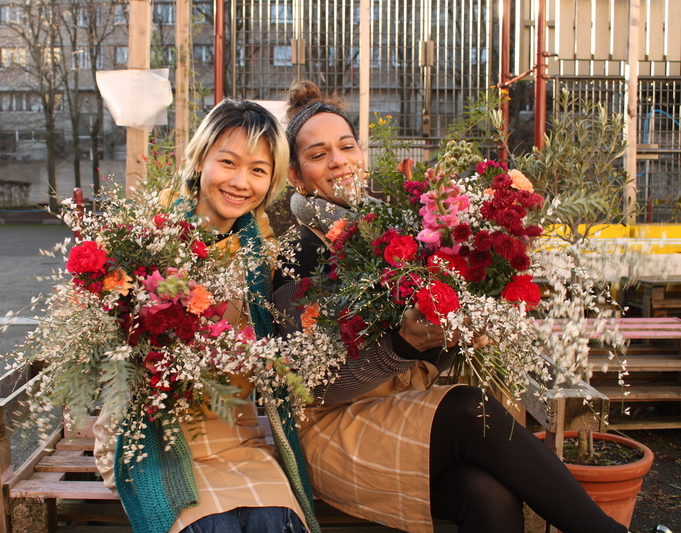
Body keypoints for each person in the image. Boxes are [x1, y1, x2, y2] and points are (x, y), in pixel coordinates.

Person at [272, 80, 631, 533]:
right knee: (468, 408)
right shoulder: (298, 254)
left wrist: (461, 329)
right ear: (295, 175)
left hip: (401, 414)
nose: (339, 160)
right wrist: (402, 344)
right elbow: (312, 388)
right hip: (331, 432)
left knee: (490, 496)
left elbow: (423, 341)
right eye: (318, 154)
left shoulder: (391, 222)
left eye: (346, 146)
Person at [93, 98, 317, 533]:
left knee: (277, 523)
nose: (239, 181)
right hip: (153, 434)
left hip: (236, 435)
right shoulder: (147, 242)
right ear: (199, 161)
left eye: (257, 169)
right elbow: (111, 357)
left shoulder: (265, 258)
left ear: (271, 181)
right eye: (228, 162)